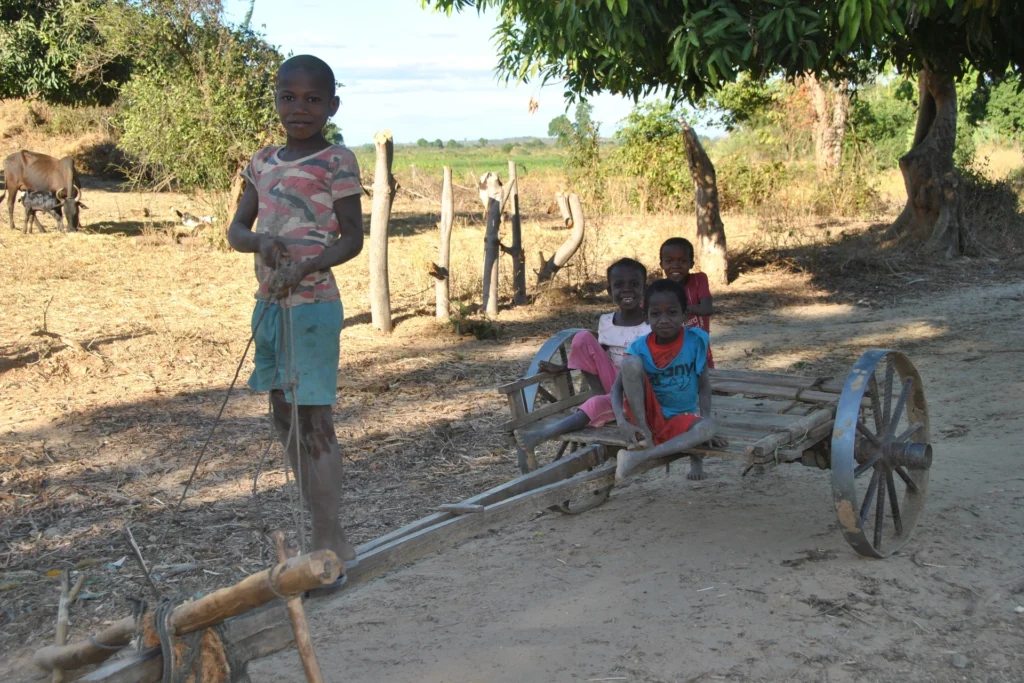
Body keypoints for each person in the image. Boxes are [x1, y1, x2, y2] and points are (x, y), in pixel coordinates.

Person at [227, 55, 363, 587]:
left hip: (313, 308)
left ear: (332, 105)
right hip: (270, 305)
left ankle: (329, 537)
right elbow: (237, 230)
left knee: (315, 423)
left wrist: (310, 264)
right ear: (276, 101)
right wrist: (261, 241)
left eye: (312, 99)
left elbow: (351, 237)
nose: (299, 108)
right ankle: (318, 522)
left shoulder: (337, 161)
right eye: (289, 97)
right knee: (283, 417)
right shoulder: (261, 161)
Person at [516, 258, 651, 452]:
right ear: (610, 291)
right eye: (619, 285)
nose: (627, 290)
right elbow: (599, 354)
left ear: (644, 289)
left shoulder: (650, 324)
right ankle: (606, 400)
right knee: (582, 338)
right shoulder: (606, 321)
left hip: (642, 390)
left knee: (600, 399)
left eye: (634, 284)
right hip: (614, 385)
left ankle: (543, 435)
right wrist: (564, 367)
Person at [612, 279, 725, 482]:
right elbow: (616, 390)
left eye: (672, 312)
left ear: (685, 315)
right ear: (646, 317)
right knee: (629, 364)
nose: (664, 319)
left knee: (709, 427)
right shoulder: (639, 347)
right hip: (648, 418)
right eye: (655, 314)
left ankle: (639, 455)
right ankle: (646, 437)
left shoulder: (696, 340)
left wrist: (705, 418)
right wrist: (622, 422)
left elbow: (704, 382)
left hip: (681, 416)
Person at [659, 237, 715, 368]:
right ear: (661, 264)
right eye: (669, 261)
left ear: (691, 263)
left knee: (705, 382)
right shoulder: (659, 289)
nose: (676, 265)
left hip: (699, 349)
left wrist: (678, 311)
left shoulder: (698, 280)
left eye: (683, 261)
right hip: (670, 352)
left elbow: (707, 309)